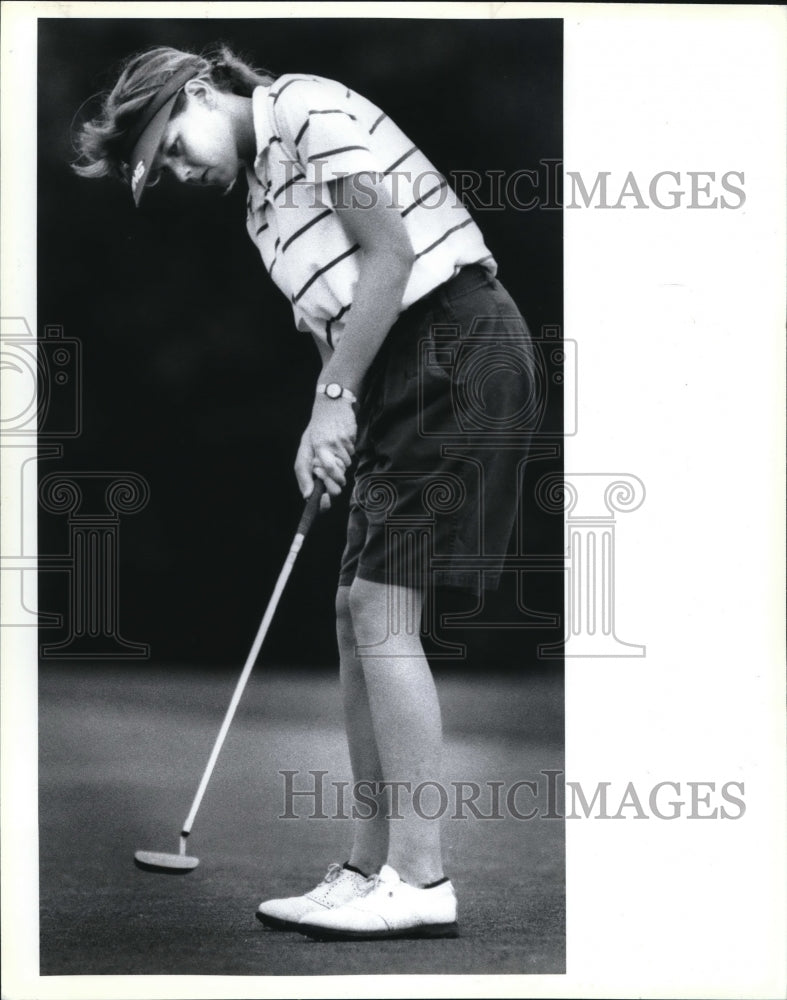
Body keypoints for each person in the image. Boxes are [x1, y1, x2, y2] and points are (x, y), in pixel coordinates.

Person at [73, 44, 536, 941]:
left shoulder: (307, 107)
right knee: (349, 613)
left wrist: (333, 404)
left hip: (457, 342)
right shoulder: (257, 208)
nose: (178, 171)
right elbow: (333, 323)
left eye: (170, 148)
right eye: (161, 172)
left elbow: (392, 253)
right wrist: (332, 424)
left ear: (199, 91)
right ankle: (368, 870)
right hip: (391, 366)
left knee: (379, 607)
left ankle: (421, 876)